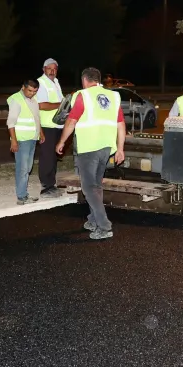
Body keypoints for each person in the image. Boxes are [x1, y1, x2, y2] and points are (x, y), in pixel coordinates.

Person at [55, 67, 126, 240]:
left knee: (88, 187)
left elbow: (71, 121)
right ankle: (93, 220)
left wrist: (62, 141)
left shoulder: (83, 95)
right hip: (106, 147)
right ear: (98, 80)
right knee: (96, 185)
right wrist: (120, 148)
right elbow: (121, 124)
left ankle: (104, 226)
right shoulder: (112, 96)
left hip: (88, 147)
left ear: (85, 80)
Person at [6, 78, 44, 205]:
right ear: (23, 87)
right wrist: (14, 141)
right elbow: (11, 122)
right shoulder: (16, 100)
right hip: (22, 139)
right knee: (22, 169)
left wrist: (40, 133)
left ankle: (24, 194)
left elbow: (36, 117)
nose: (32, 93)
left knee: (27, 167)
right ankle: (21, 197)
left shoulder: (33, 99)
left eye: (35, 91)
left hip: (32, 138)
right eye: (30, 90)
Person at [35, 58, 65, 199]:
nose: (52, 71)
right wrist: (60, 105)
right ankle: (46, 187)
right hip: (47, 125)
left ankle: (51, 184)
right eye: (49, 68)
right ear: (44, 69)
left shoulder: (56, 82)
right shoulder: (41, 83)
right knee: (47, 156)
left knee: (53, 156)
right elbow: (41, 105)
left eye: (54, 69)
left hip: (57, 124)